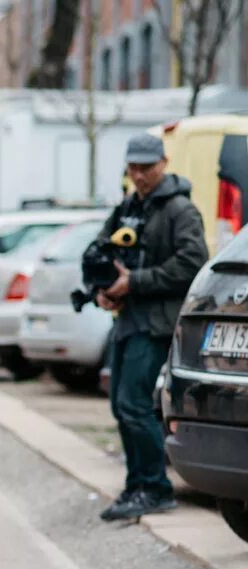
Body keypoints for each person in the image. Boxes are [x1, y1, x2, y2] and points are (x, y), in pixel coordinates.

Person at [97, 133, 208, 521]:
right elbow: (102, 251)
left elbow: (193, 262)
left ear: (164, 163)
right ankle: (137, 486)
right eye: (134, 168)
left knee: (134, 403)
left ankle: (156, 488)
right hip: (128, 319)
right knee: (120, 405)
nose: (140, 175)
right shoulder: (128, 207)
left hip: (156, 322)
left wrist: (136, 282)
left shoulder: (181, 209)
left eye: (147, 167)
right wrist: (103, 289)